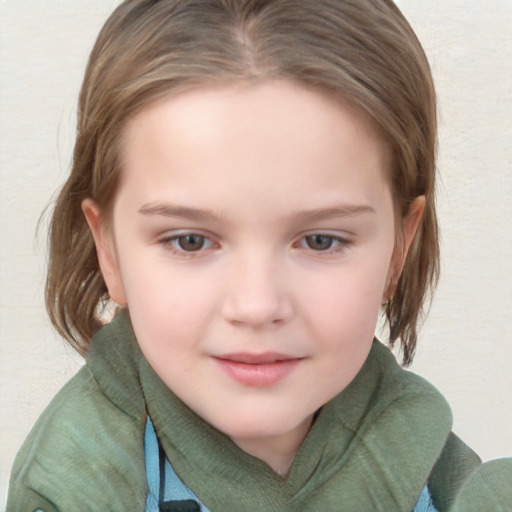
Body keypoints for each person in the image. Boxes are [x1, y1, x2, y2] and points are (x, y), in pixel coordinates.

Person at [6, 0, 511, 510]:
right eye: (190, 241)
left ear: (398, 250)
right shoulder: (73, 486)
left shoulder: (447, 476)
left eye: (321, 240)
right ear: (108, 251)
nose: (255, 304)